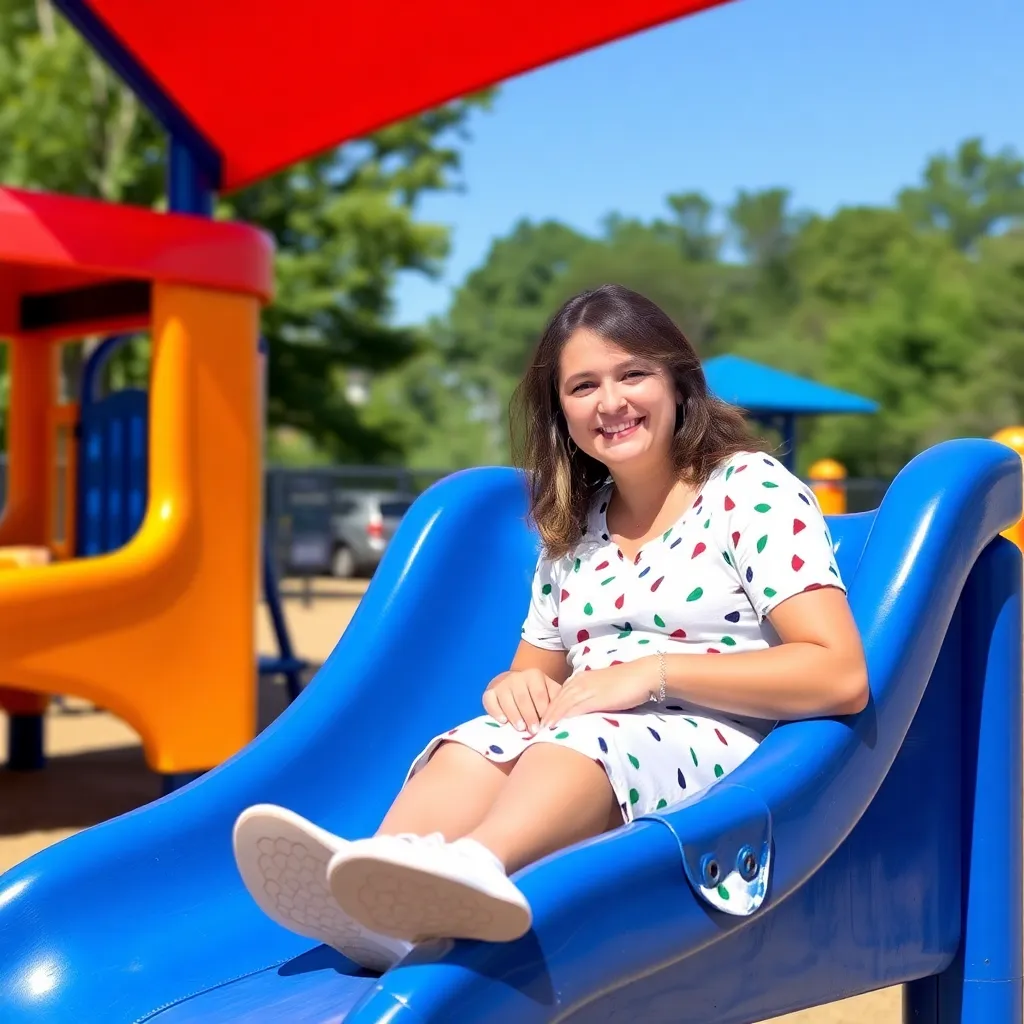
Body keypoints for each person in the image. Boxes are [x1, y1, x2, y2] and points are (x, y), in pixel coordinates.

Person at [233, 283, 868, 972]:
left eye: (633, 374)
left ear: (679, 383)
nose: (611, 402)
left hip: (722, 742)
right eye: (583, 385)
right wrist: (514, 689)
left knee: (584, 737)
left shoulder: (747, 489)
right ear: (560, 411)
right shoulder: (573, 530)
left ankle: (476, 867)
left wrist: (651, 676)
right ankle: (377, 889)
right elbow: (532, 672)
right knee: (480, 742)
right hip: (602, 728)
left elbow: (838, 672)